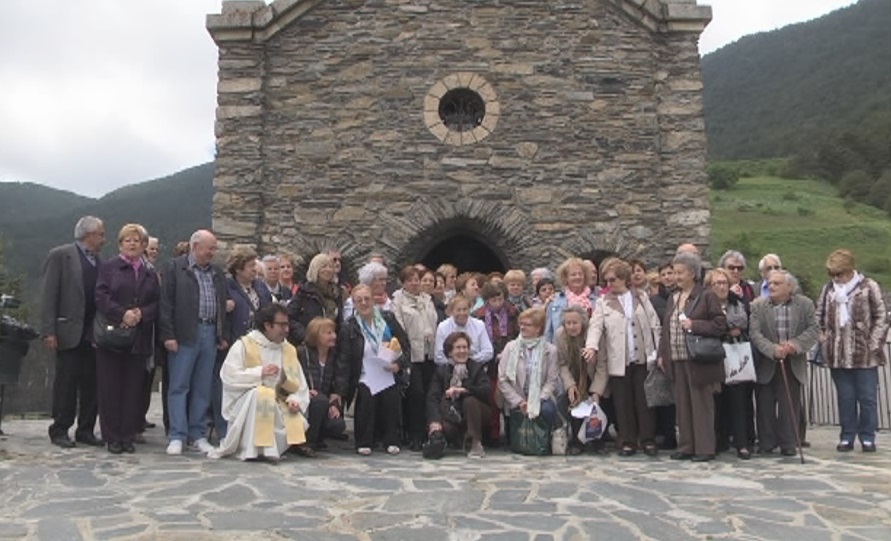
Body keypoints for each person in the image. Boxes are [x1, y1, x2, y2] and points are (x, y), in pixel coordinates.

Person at [159, 230, 229, 456]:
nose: (213, 252)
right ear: (196, 246)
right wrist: (168, 335)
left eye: (214, 248)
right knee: (179, 386)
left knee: (202, 387)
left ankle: (196, 434)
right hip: (184, 333)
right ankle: (177, 435)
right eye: (210, 248)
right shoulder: (175, 267)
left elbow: (221, 306)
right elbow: (166, 304)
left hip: (209, 332)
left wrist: (221, 335)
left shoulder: (217, 272)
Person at [210, 304, 311, 461]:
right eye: (282, 325)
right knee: (261, 394)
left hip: (279, 403)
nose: (287, 330)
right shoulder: (244, 345)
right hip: (246, 403)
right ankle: (253, 450)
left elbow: (300, 385)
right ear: (267, 325)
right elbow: (229, 376)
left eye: (287, 324)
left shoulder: (288, 350)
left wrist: (295, 400)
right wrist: (259, 373)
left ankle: (269, 449)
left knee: (270, 399)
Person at [93, 224, 160, 454]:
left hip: (138, 338)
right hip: (112, 336)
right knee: (110, 388)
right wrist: (122, 314)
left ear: (144, 245)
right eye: (127, 240)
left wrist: (141, 314)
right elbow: (100, 296)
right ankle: (112, 437)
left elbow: (157, 303)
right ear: (120, 244)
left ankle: (128, 435)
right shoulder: (109, 267)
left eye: (137, 240)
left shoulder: (150, 273)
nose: (132, 244)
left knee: (133, 390)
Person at [41, 215, 106, 448]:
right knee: (66, 383)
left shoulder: (99, 261)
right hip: (68, 331)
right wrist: (49, 330)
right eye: (101, 234)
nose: (103, 238)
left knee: (92, 383)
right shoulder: (61, 255)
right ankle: (59, 429)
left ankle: (86, 429)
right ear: (88, 235)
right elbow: (49, 294)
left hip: (93, 333)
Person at [585, 259, 661, 457]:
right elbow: (596, 326)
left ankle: (647, 439)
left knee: (644, 401)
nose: (609, 284)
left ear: (624, 279)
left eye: (613, 280)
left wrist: (658, 351)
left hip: (642, 356)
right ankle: (627, 440)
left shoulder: (641, 297)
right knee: (622, 401)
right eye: (607, 281)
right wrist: (591, 346)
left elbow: (654, 325)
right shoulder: (603, 302)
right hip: (618, 359)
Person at [657, 252, 727, 462]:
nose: (676, 277)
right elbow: (666, 329)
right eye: (675, 272)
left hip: (698, 359)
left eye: (680, 272)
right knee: (683, 404)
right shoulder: (673, 297)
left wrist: (695, 325)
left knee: (701, 404)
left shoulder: (706, 296)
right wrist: (663, 353)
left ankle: (705, 448)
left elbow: (720, 324)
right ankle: (686, 445)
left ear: (692, 274)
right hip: (677, 357)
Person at [816, 249, 888, 452]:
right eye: (833, 275)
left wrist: (873, 344)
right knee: (845, 398)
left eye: (840, 274)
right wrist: (823, 338)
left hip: (864, 356)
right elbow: (818, 315)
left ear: (849, 270)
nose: (836, 279)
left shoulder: (868, 286)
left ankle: (867, 436)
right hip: (837, 356)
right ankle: (847, 436)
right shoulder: (828, 289)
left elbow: (881, 316)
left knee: (867, 398)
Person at [750, 270, 819, 456]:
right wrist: (773, 349)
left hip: (792, 361)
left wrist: (794, 345)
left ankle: (789, 442)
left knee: (790, 404)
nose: (771, 286)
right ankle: (766, 442)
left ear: (789, 287)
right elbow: (755, 334)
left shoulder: (805, 305)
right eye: (770, 283)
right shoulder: (758, 306)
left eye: (777, 283)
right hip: (767, 362)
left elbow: (813, 330)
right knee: (764, 404)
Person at [335, 284, 411, 455]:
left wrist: (399, 364)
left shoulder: (388, 319)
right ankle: (364, 440)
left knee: (391, 395)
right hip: (363, 373)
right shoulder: (349, 327)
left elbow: (405, 346)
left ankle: (391, 439)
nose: (364, 303)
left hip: (388, 370)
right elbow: (344, 359)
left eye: (367, 299)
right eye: (359, 300)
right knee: (367, 394)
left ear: (373, 300)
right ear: (353, 303)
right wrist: (340, 390)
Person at [217, 246, 273, 441]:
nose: (254, 270)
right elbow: (220, 316)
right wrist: (222, 336)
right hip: (235, 344)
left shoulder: (261, 287)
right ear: (238, 268)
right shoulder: (225, 286)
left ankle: (254, 429)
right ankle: (227, 429)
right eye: (250, 266)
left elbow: (268, 311)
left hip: (258, 345)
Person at [706, 268, 755, 459]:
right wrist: (726, 327)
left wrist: (723, 326)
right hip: (714, 355)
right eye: (716, 283)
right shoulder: (706, 304)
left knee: (738, 399)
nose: (721, 287)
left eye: (724, 282)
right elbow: (708, 325)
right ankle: (719, 439)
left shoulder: (736, 301)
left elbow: (742, 321)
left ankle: (742, 443)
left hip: (735, 354)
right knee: (717, 399)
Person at [391, 265, 438, 451]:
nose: (414, 282)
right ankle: (414, 435)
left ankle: (429, 431)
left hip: (429, 352)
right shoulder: (398, 301)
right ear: (403, 283)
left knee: (429, 393)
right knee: (415, 394)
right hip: (412, 353)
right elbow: (399, 327)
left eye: (416, 279)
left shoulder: (427, 299)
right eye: (410, 279)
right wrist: (406, 351)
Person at [498, 308, 561, 439]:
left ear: (538, 328)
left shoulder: (550, 350)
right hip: (516, 398)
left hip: (540, 397)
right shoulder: (510, 347)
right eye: (521, 323)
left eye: (527, 325)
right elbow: (502, 380)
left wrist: (536, 400)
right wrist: (519, 401)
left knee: (547, 410)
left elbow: (551, 381)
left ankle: (546, 438)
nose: (522, 327)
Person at [427, 332, 492, 458]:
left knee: (470, 401)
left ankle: (475, 442)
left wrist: (464, 390)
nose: (462, 351)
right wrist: (434, 421)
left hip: (476, 414)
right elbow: (432, 398)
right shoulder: (442, 371)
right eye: (458, 348)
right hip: (452, 414)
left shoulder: (476, 367)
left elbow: (486, 390)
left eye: (465, 347)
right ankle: (452, 441)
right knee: (443, 428)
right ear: (450, 352)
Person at [472, 282, 519, 444]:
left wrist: (508, 351)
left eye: (500, 298)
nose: (497, 302)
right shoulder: (478, 315)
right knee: (492, 396)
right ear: (486, 300)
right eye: (493, 299)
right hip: (488, 362)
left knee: (511, 395)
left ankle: (512, 431)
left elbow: (519, 334)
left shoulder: (513, 312)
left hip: (510, 357)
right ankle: (492, 434)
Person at [555, 306, 606, 454]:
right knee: (574, 401)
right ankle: (577, 442)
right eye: (568, 323)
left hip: (593, 374)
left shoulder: (595, 335)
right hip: (574, 375)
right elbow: (562, 363)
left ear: (583, 322)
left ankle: (598, 442)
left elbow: (603, 365)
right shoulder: (560, 335)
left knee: (595, 405)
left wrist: (597, 390)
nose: (571, 327)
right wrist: (569, 384)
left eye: (574, 323)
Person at [296, 317, 347, 451]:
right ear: (316, 335)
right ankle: (307, 442)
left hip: (324, 401)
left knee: (338, 424)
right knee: (319, 401)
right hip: (305, 399)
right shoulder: (302, 352)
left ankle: (318, 437)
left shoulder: (335, 355)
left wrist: (334, 404)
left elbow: (338, 381)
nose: (333, 336)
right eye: (328, 333)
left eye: (333, 332)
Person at [287, 253, 342, 345]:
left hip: (331, 345)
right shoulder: (304, 292)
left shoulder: (336, 293)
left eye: (330, 267)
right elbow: (289, 316)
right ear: (315, 269)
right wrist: (305, 336)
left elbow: (339, 321)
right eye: (323, 266)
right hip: (310, 344)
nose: (328, 269)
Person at [545, 257, 598, 343]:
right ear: (566, 278)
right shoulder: (554, 301)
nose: (577, 277)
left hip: (588, 350)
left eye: (580, 274)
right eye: (573, 274)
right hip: (562, 350)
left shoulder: (596, 301)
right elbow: (548, 332)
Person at [434, 295, 493, 366]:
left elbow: (488, 352)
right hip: (449, 368)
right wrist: (455, 363)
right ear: (452, 311)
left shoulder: (479, 325)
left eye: (465, 309)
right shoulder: (442, 327)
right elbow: (438, 356)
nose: (462, 313)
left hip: (475, 367)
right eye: (458, 310)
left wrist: (468, 362)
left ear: (469, 309)